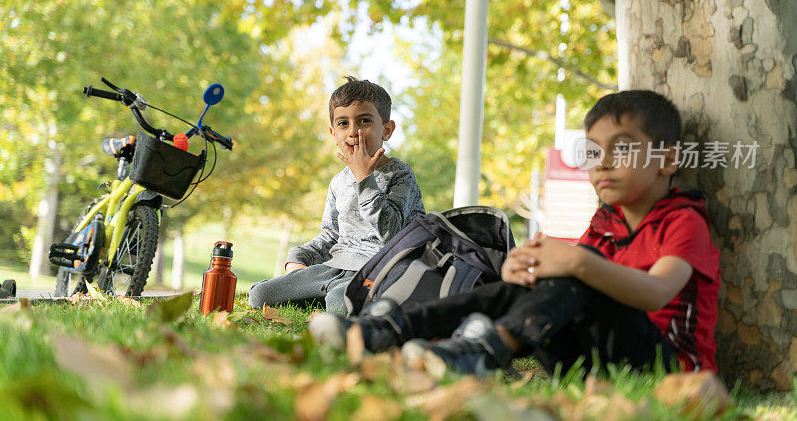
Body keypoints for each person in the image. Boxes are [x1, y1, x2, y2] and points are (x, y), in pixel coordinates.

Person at [309, 90, 721, 377]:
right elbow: (570, 280)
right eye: (593, 151)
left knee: (579, 273)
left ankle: (484, 351)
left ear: (666, 160)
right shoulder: (606, 222)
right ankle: (389, 330)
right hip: (590, 353)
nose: (603, 163)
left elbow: (655, 292)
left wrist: (575, 261)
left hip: (664, 366)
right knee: (529, 285)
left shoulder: (683, 220)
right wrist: (525, 270)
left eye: (623, 148)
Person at [249, 76, 425, 314]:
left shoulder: (400, 174)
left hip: (379, 268)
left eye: (364, 121)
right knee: (261, 295)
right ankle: (321, 294)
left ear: (387, 129)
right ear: (333, 133)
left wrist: (365, 179)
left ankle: (340, 301)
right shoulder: (338, 182)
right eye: (343, 124)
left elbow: (391, 232)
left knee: (338, 302)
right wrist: (298, 257)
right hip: (335, 266)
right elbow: (332, 234)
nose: (353, 132)